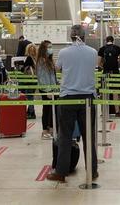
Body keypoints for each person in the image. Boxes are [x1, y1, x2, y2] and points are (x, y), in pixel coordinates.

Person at [47, 25, 98, 183]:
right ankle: (92, 170)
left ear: (71, 36)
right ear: (84, 36)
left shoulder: (63, 52)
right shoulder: (93, 52)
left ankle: (61, 172)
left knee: (65, 136)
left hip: (68, 97)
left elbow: (58, 69)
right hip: (88, 99)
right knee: (88, 136)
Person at [35, 40, 57, 140]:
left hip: (53, 88)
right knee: (47, 109)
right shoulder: (41, 61)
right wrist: (48, 90)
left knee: (52, 109)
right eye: (49, 47)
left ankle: (51, 129)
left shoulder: (49, 60)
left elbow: (52, 76)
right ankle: (45, 131)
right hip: (46, 89)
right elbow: (42, 77)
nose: (51, 49)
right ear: (44, 49)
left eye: (51, 47)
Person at [98, 35, 120, 117]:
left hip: (105, 73)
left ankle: (104, 111)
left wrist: (104, 67)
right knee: (115, 92)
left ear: (106, 41)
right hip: (115, 73)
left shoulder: (102, 49)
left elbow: (98, 63)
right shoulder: (117, 48)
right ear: (113, 41)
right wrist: (118, 63)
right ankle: (117, 112)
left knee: (104, 92)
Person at [23, 43, 38, 119]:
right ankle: (30, 111)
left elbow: (24, 69)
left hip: (29, 80)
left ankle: (31, 113)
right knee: (31, 95)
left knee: (29, 96)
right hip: (35, 80)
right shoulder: (36, 58)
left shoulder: (29, 58)